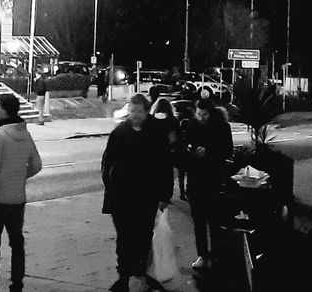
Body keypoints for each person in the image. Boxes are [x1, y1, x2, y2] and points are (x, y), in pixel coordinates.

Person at [101, 94, 175, 292]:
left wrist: (164, 195)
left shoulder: (156, 133)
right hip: (121, 196)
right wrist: (110, 185)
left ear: (145, 111)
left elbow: (165, 166)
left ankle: (140, 273)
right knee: (124, 237)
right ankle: (124, 275)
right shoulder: (119, 133)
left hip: (146, 196)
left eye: (138, 111)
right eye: (132, 111)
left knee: (142, 237)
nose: (134, 115)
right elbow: (107, 162)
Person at [0, 94, 43, 292]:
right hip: (17, 200)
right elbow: (36, 164)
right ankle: (17, 283)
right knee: (17, 243)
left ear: (5, 111)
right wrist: (20, 176)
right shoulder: (25, 134)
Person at [181, 98, 237, 271]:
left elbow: (227, 150)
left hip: (213, 179)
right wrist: (190, 151)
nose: (201, 117)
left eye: (204, 114)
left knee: (214, 221)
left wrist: (208, 153)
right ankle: (203, 255)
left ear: (211, 113)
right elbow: (184, 147)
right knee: (198, 221)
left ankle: (216, 255)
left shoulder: (221, 127)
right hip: (195, 179)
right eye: (198, 114)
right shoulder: (192, 125)